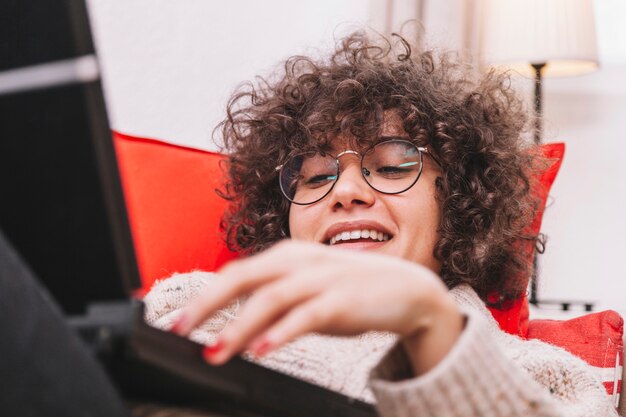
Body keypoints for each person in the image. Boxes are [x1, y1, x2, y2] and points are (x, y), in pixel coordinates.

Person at [144, 31, 620, 416]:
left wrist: (430, 326)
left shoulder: (536, 375)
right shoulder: (191, 305)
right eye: (316, 176)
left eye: (393, 166)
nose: (345, 190)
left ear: (459, 202)